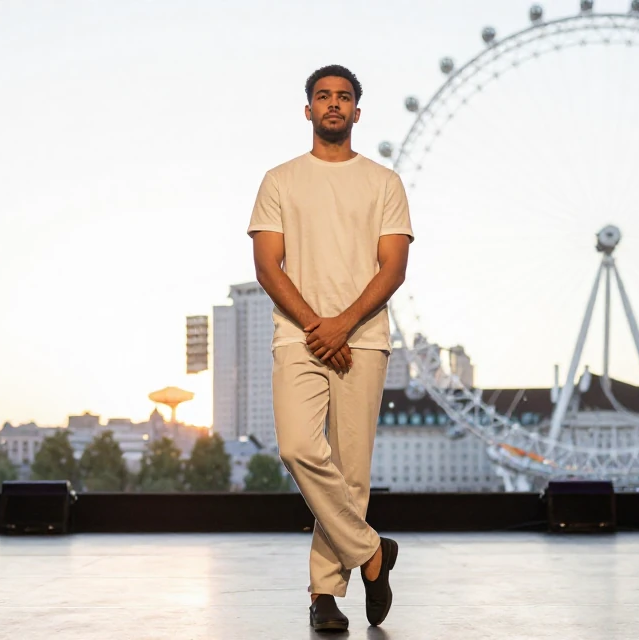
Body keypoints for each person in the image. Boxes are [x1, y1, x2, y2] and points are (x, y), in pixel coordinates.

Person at [247, 64, 414, 632]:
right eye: (324, 96)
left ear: (357, 113)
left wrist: (343, 324)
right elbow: (267, 264)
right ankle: (371, 552)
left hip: (363, 338)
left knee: (350, 472)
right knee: (297, 446)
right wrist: (319, 325)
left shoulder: (384, 183)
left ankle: (324, 594)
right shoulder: (279, 180)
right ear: (308, 109)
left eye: (344, 98)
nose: (334, 105)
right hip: (299, 335)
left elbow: (394, 267)